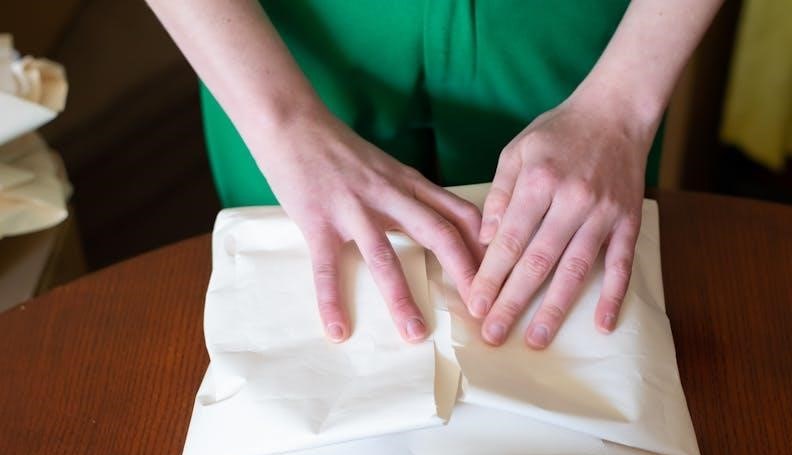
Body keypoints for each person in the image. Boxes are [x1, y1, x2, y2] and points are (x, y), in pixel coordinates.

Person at [146, 0, 721, 349]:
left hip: (571, 33)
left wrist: (621, 107)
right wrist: (282, 124)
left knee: (572, 313)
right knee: (317, 325)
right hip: (271, 45)